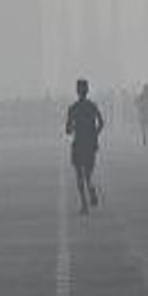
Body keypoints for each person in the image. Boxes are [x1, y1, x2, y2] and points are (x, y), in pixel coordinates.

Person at [65, 78, 104, 215]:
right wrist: (95, 134)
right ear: (87, 90)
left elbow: (68, 130)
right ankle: (91, 188)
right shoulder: (92, 106)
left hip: (79, 144)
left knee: (79, 175)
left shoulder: (73, 108)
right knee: (88, 173)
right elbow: (101, 122)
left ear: (77, 91)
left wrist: (74, 126)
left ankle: (84, 204)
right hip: (90, 144)